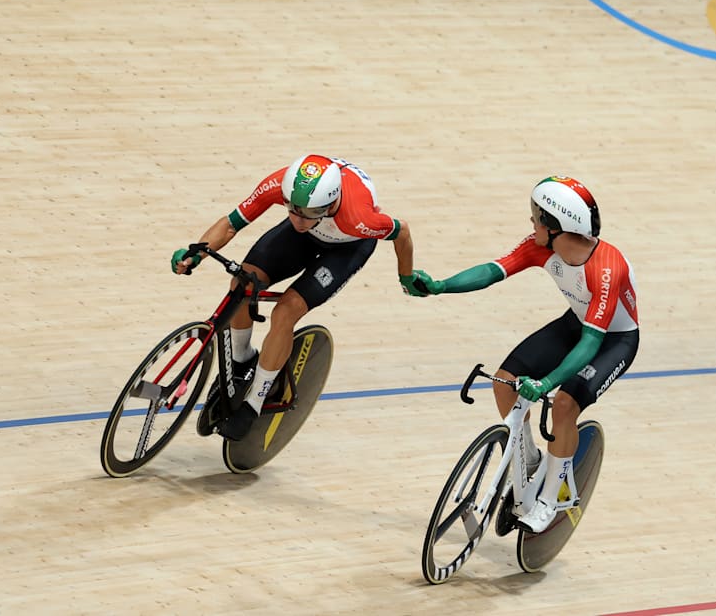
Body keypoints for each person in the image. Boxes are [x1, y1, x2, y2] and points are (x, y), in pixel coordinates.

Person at [408, 176, 640, 533]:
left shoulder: (607, 268)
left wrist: (547, 382)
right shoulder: (542, 247)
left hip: (614, 341)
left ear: (556, 226)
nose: (532, 223)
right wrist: (441, 287)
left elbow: (592, 345)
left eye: (537, 216)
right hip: (576, 325)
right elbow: (492, 271)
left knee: (563, 404)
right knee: (505, 382)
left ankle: (554, 498)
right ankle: (530, 457)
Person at [171, 154, 423, 441]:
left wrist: (407, 277)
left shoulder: (358, 218)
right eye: (293, 209)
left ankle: (254, 403)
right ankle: (242, 361)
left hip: (346, 249)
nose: (299, 218)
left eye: (308, 213)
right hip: (302, 239)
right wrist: (196, 252)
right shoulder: (282, 186)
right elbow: (231, 224)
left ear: (330, 204)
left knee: (286, 311)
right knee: (242, 282)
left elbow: (402, 232)